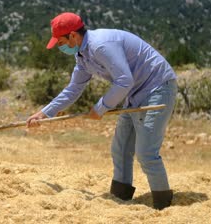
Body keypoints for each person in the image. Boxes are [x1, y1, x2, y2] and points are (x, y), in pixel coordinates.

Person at [26, 12, 177, 210]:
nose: (59, 47)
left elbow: (124, 80)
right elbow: (74, 88)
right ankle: (119, 200)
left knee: (146, 153)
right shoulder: (82, 56)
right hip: (134, 94)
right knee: (120, 148)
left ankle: (163, 207)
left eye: (60, 41)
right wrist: (44, 113)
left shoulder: (101, 45)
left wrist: (100, 108)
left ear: (73, 36)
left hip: (158, 88)